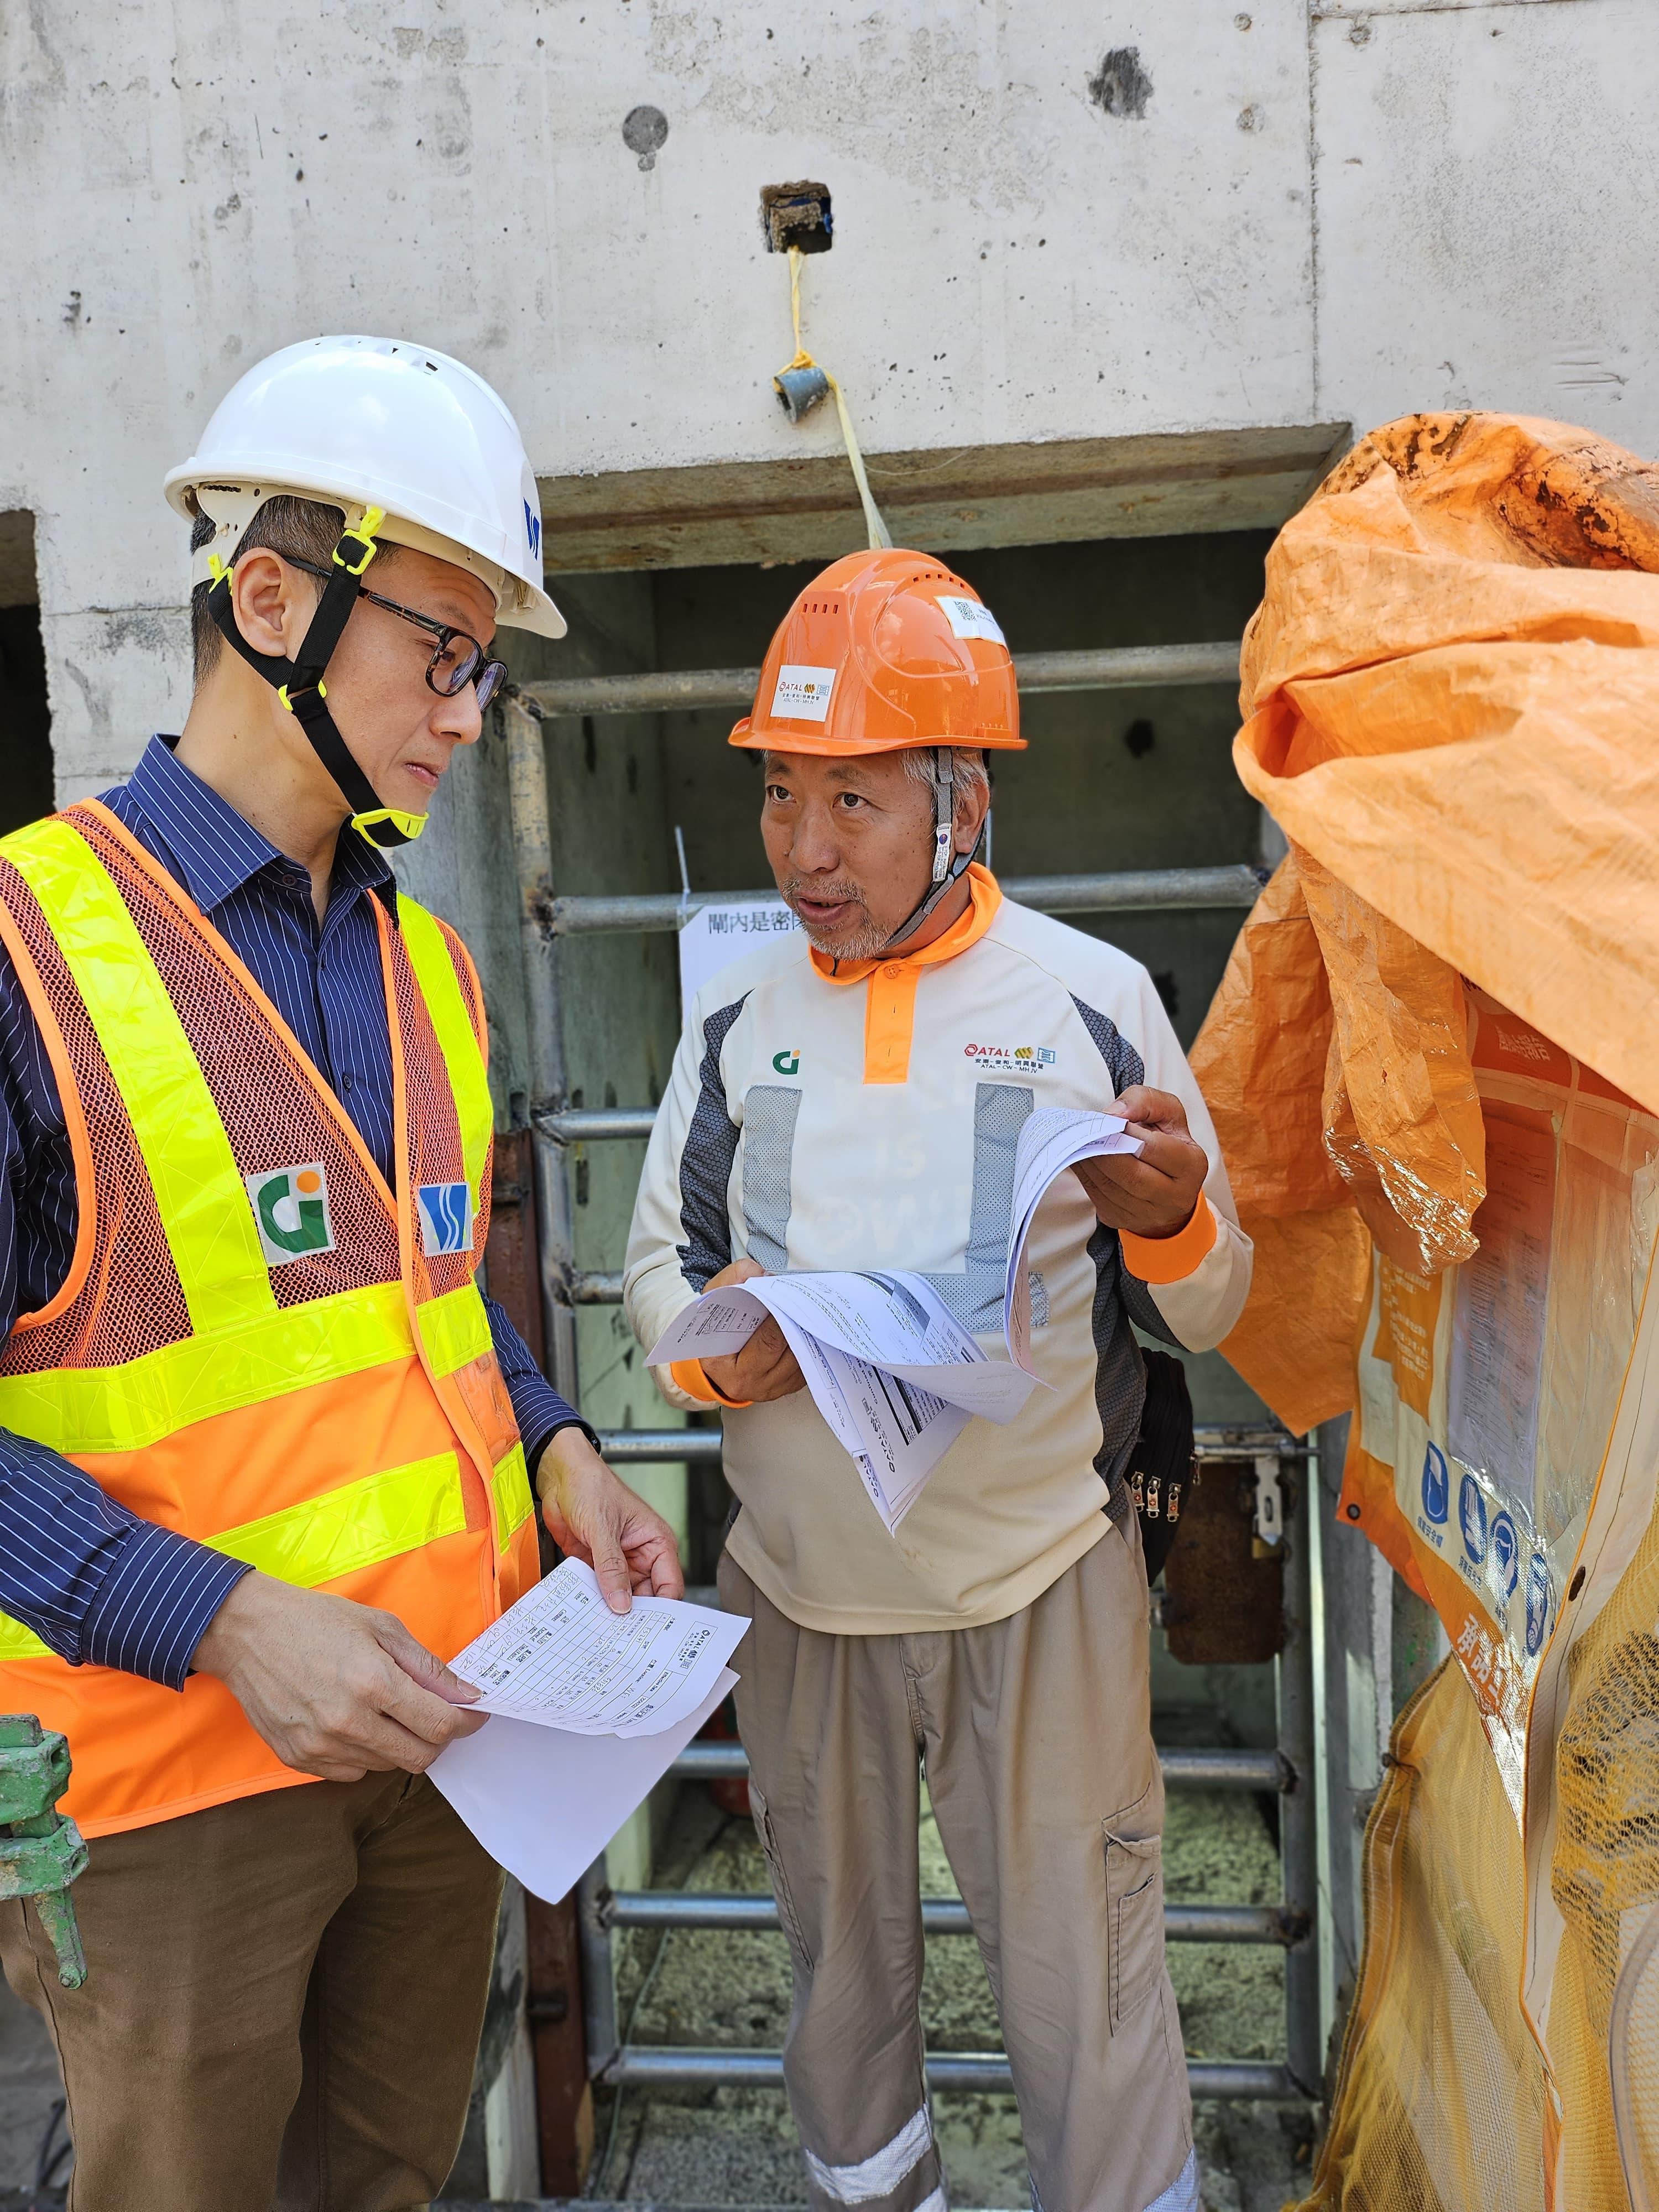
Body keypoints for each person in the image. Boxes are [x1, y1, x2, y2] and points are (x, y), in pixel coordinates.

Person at [0, 335, 682, 2212]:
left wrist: (556, 1452)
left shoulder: (432, 972)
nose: (469, 714)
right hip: (164, 1791)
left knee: (391, 2185)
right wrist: (219, 1619)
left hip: (446, 1743)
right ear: (274, 600)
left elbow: (432, 1312)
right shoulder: (25, 953)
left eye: (489, 669)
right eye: (441, 653)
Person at [624, 549, 1252, 2212]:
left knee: (1087, 1994)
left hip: (1036, 1587)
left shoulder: (1091, 1004)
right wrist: (718, 1359)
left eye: (855, 802)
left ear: (961, 804)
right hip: (803, 1601)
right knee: (839, 1996)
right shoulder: (735, 1024)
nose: (806, 851)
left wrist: (1175, 1218)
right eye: (779, 796)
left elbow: (1217, 1305)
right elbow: (653, 1277)